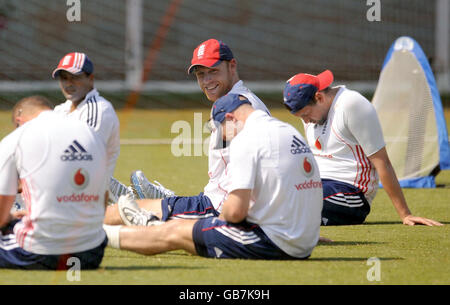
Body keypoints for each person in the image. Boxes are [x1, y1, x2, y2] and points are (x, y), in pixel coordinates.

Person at [103, 93, 323, 260]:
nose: (222, 140)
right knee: (181, 230)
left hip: (274, 241)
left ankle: (96, 236)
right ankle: (128, 225)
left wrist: (213, 221)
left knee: (173, 231)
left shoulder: (246, 139)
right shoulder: (288, 130)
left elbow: (235, 212)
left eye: (220, 131)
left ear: (229, 118)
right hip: (299, 238)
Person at [104, 38, 271, 226]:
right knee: (157, 207)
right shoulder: (239, 100)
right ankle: (163, 202)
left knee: (121, 214)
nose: (207, 81)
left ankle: (132, 203)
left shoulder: (238, 108)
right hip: (214, 202)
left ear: (232, 66)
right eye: (201, 74)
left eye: (213, 71)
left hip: (219, 209)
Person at [282, 70, 443, 226]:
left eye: (306, 114)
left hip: (351, 193)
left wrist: (406, 215)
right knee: (274, 196)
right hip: (319, 184)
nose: (306, 121)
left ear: (319, 97)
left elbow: (382, 163)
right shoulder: (312, 112)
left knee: (299, 204)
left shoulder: (351, 105)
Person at [0, 96, 109, 269]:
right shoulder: (92, 134)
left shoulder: (16, 139)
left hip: (41, 253)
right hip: (92, 252)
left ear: (19, 120)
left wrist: (12, 216)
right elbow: (102, 200)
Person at [51, 52, 124, 202]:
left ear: (90, 79)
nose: (68, 84)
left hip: (85, 197)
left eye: (75, 78)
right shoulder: (60, 110)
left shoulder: (98, 110)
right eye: (64, 78)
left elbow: (81, 160)